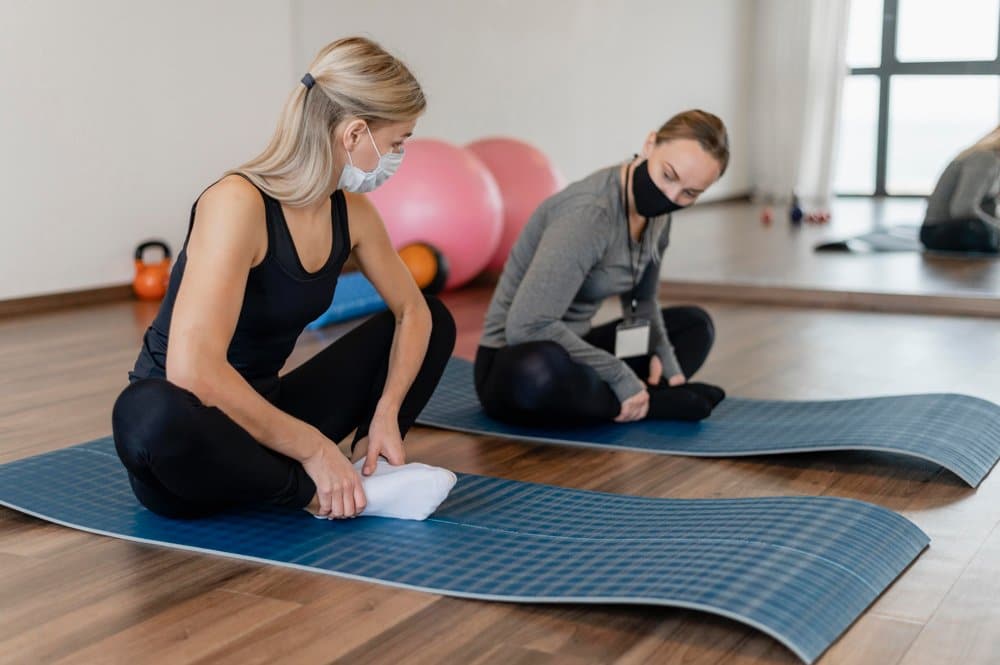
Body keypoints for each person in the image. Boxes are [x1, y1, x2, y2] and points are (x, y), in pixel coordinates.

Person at [112, 37, 456, 521]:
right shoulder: (237, 204)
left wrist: (387, 414)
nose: (398, 157)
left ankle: (366, 472)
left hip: (267, 417)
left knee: (435, 319)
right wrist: (315, 450)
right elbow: (191, 372)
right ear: (355, 134)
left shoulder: (353, 215)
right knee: (146, 413)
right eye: (397, 142)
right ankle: (319, 492)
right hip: (194, 436)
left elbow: (412, 311)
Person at [476, 110, 729, 426]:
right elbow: (526, 327)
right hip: (514, 360)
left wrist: (670, 365)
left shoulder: (660, 214)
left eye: (690, 193)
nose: (672, 196)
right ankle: (650, 403)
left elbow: (643, 302)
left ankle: (635, 396)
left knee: (696, 325)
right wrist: (619, 373)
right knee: (538, 371)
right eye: (669, 175)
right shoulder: (589, 215)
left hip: (577, 348)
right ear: (650, 144)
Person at [921, 126, 1000, 253]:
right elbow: (961, 209)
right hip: (940, 232)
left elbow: (989, 210)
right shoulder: (986, 159)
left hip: (961, 227)